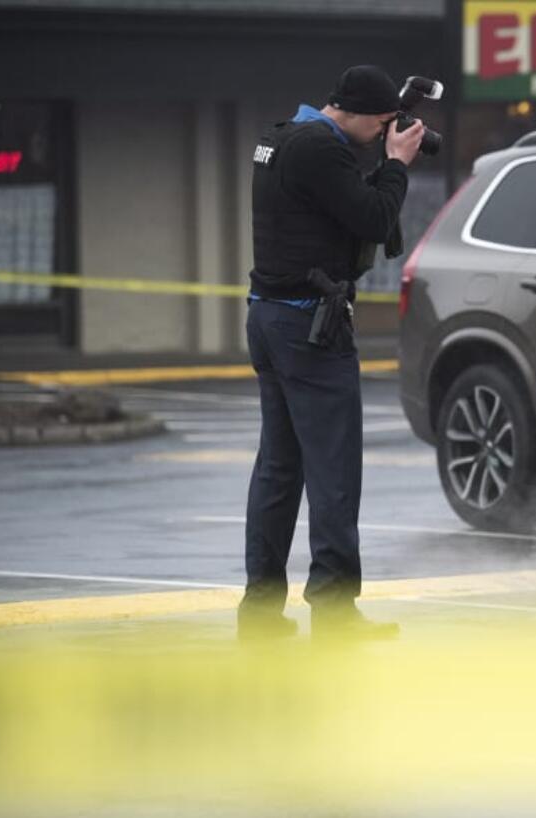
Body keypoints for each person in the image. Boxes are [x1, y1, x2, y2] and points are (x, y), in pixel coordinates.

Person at [239, 65, 425, 640]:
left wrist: (376, 162)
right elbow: (372, 216)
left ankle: (262, 609)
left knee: (278, 468)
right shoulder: (322, 150)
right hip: (309, 327)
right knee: (333, 472)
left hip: (268, 317)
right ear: (371, 115)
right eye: (383, 124)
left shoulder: (281, 136)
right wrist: (395, 165)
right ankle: (336, 611)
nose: (382, 133)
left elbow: (334, 208)